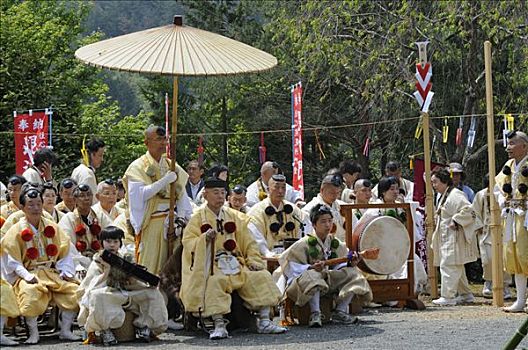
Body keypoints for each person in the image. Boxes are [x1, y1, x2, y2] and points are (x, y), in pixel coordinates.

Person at [180, 178, 287, 340]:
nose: (220, 197)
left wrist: (253, 261)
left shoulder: (235, 216)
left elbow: (249, 242)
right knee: (215, 282)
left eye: (223, 193)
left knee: (261, 275)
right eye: (215, 193)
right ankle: (219, 325)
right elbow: (188, 244)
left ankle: (264, 321)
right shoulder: (197, 219)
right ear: (205, 195)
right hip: (212, 266)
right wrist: (204, 239)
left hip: (236, 263)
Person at [1, 187, 79, 344]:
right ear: (22, 207)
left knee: (73, 291)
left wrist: (65, 271)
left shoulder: (53, 226)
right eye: (31, 204)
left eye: (38, 204)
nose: (35, 208)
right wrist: (27, 276)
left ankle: (65, 330)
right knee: (30, 293)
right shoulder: (15, 230)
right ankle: (33, 332)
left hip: (52, 272)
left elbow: (64, 252)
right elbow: (13, 260)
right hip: (29, 274)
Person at [279, 204, 372, 327]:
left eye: (330, 221)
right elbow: (290, 266)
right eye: (323, 221)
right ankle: (315, 313)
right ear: (314, 224)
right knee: (313, 275)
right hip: (306, 283)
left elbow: (340, 264)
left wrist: (351, 263)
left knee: (354, 274)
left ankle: (340, 311)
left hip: (327, 280)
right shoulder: (302, 244)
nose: (328, 225)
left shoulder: (334, 242)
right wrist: (310, 268)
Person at [77, 226, 168, 346]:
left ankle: (144, 326)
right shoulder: (97, 261)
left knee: (153, 293)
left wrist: (146, 282)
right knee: (97, 296)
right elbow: (91, 287)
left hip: (125, 292)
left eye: (115, 241)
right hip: (109, 293)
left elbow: (134, 282)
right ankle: (105, 329)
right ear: (102, 242)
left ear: (120, 243)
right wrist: (106, 271)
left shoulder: (125, 258)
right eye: (108, 241)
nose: (112, 245)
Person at [123, 125, 191, 274]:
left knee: (173, 268)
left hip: (172, 223)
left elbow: (181, 195)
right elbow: (140, 195)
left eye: (164, 139)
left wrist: (179, 220)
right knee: (151, 267)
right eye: (158, 139)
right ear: (146, 142)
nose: (163, 143)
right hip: (152, 223)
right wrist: (165, 180)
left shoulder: (171, 164)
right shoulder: (137, 167)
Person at [430, 167, 482, 306]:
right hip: (447, 235)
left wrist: (456, 220)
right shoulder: (444, 195)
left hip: (454, 235)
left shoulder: (455, 195)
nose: (433, 185)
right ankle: (465, 294)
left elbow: (470, 211)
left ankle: (448, 296)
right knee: (455, 265)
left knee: (449, 265)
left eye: (435, 182)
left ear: (444, 181)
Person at [494, 130, 528, 313]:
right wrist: (502, 200)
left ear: (524, 145)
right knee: (515, 256)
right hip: (513, 215)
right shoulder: (508, 164)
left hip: (527, 216)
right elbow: (497, 187)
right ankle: (520, 300)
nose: (508, 147)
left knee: (527, 254)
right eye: (508, 143)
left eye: (513, 143)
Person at [247, 174, 312, 257]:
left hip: (291, 254)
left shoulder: (293, 209)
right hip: (267, 256)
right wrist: (266, 252)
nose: (280, 191)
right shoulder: (257, 211)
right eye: (276, 187)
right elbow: (254, 233)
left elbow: (305, 225)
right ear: (268, 190)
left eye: (283, 188)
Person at [472, 175, 512, 299]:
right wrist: (478, 226)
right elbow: (474, 211)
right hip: (487, 232)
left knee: (504, 259)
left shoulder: (505, 194)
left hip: (503, 230)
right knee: (487, 259)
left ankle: (505, 286)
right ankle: (488, 282)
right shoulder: (481, 195)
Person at [59, 184, 112, 269]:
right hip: (79, 262)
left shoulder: (100, 216)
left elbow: (111, 233)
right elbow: (67, 246)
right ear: (75, 199)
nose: (86, 198)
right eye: (82, 196)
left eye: (88, 195)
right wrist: (78, 265)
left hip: (100, 260)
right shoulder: (68, 219)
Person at [302, 174, 354, 242]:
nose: (335, 196)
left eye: (337, 193)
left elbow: (354, 226)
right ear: (322, 190)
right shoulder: (309, 209)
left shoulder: (344, 206)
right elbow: (308, 235)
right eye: (332, 193)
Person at [71, 138, 106, 203]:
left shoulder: (77, 170)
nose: (102, 159)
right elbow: (91, 202)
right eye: (100, 155)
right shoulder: (87, 173)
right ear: (92, 155)